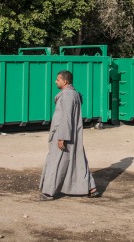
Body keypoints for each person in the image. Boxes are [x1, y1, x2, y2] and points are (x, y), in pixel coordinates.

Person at [39, 70, 99, 201]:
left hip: (64, 133)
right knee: (78, 159)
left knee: (57, 161)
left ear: (65, 81)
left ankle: (49, 192)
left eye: (58, 80)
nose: (56, 81)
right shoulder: (74, 94)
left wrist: (62, 137)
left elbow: (66, 117)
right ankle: (91, 188)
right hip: (72, 134)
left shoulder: (67, 95)